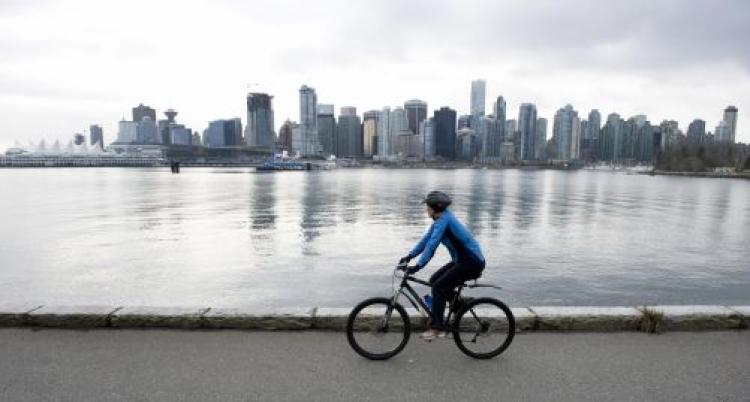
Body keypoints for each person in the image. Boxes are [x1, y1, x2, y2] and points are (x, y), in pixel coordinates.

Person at [399, 190, 486, 341]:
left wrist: (417, 266)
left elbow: (431, 246)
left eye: (427, 206)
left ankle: (438, 328)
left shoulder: (443, 222)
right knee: (434, 280)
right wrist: (409, 256)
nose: (426, 209)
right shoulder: (440, 220)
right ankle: (460, 305)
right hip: (463, 260)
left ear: (434, 208)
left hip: (471, 262)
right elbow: (425, 241)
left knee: (438, 287)